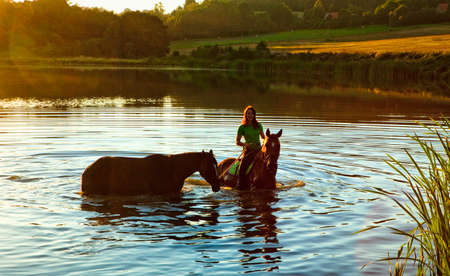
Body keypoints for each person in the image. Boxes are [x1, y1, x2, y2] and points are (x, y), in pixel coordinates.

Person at [235, 105, 265, 189]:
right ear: (245, 115)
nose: (250, 115)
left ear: (254, 115)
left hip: (259, 150)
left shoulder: (259, 125)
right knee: (242, 168)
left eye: (252, 113)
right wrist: (245, 144)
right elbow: (237, 142)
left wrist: (269, 140)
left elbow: (263, 137)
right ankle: (240, 185)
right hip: (248, 151)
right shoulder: (242, 127)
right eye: (248, 113)